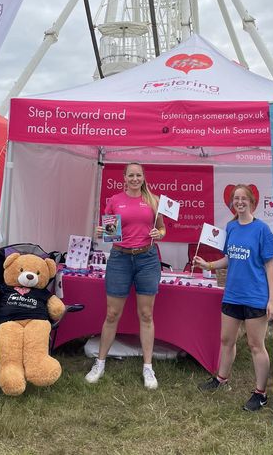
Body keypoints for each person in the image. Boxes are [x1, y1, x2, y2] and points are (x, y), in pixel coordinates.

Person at [194, 184, 273, 411]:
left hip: (255, 296)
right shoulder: (230, 227)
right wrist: (208, 264)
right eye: (235, 199)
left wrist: (272, 299)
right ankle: (222, 378)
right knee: (226, 340)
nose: (239, 202)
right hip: (232, 294)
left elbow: (270, 265)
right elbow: (229, 258)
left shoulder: (262, 230)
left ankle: (260, 393)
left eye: (243, 198)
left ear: (252, 202)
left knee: (255, 345)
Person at [85, 162, 166, 389]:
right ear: (124, 177)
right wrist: (100, 232)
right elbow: (109, 234)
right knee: (112, 314)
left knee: (146, 314)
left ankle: (148, 367)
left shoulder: (153, 200)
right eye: (131, 175)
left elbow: (162, 229)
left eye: (138, 175)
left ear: (143, 177)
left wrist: (157, 234)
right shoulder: (114, 200)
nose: (135, 178)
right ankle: (99, 362)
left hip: (147, 259)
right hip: (120, 258)